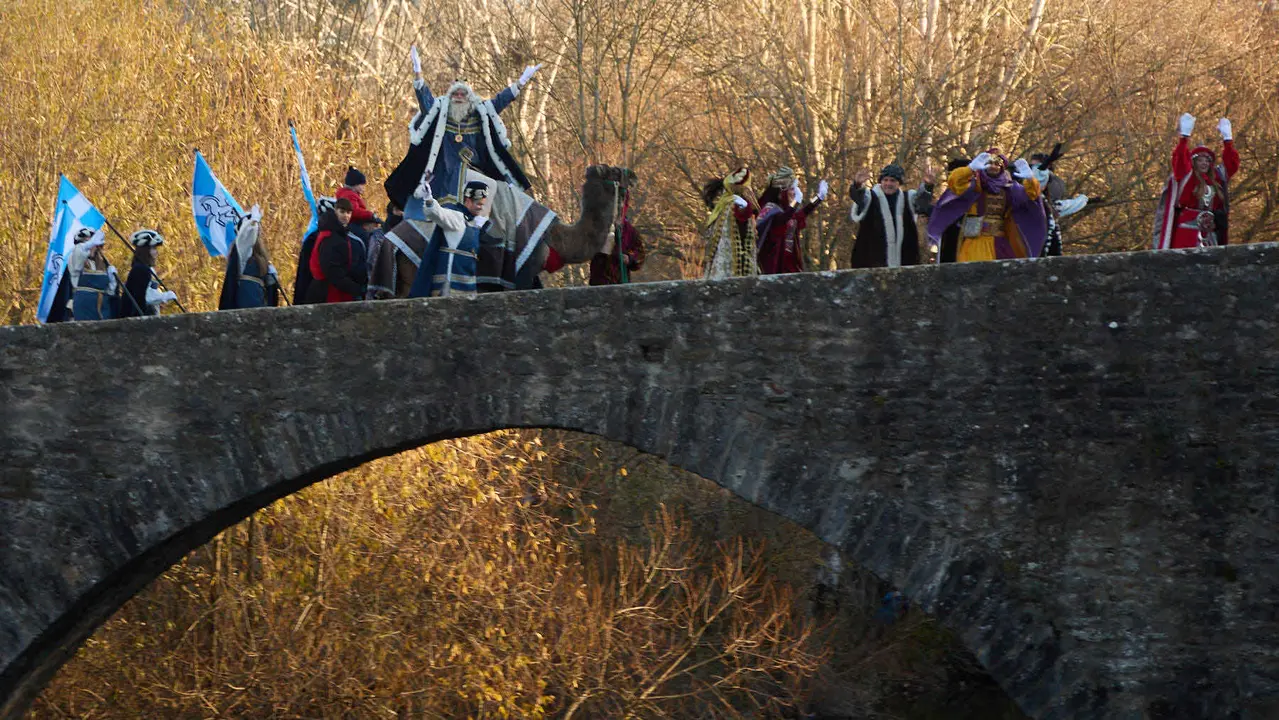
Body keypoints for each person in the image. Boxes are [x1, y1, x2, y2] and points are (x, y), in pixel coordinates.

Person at [383, 65, 542, 209]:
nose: (459, 97)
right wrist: (418, 76)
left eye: (463, 94)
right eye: (456, 94)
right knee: (473, 184)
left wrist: (521, 82)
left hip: (475, 168)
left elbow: (500, 101)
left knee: (495, 187)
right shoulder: (440, 110)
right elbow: (426, 102)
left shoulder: (480, 112)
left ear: (470, 97)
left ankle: (483, 223)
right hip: (445, 169)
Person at [926, 149, 1047, 262]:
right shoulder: (975, 187)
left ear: (1002, 168)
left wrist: (1031, 179)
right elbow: (955, 184)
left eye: (997, 164)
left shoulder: (1010, 188)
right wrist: (970, 169)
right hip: (975, 242)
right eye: (990, 164)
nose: (993, 167)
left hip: (1000, 243)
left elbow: (1031, 196)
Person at [1154, 114, 1238, 249]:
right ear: (1194, 162)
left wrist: (1228, 140)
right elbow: (1180, 160)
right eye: (1200, 160)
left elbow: (1231, 165)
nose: (1204, 163)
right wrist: (1184, 138)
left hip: (1209, 232)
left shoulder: (1216, 178)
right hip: (1187, 232)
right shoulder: (1187, 177)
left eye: (1207, 160)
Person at [408, 179, 489, 298]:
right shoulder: (455, 217)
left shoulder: (474, 222)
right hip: (449, 287)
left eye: (482, 204)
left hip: (468, 286)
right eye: (478, 204)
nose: (481, 208)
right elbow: (437, 213)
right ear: (468, 201)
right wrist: (428, 199)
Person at [848, 163, 934, 269]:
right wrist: (857, 185)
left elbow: (922, 202)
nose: (888, 184)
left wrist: (927, 186)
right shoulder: (870, 197)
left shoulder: (908, 199)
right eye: (885, 180)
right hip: (872, 263)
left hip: (904, 262)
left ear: (899, 183)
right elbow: (858, 197)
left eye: (893, 181)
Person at [755, 167, 829, 274]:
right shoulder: (770, 209)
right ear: (782, 191)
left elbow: (801, 214)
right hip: (774, 266)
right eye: (792, 189)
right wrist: (795, 203)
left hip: (790, 264)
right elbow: (782, 220)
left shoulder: (787, 211)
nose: (794, 192)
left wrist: (818, 198)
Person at [1028, 145, 1090, 257]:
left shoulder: (1050, 206)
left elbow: (1066, 205)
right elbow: (1034, 184)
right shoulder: (1024, 197)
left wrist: (1086, 200)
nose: (1034, 172)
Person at [703, 167, 760, 279]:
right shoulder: (728, 205)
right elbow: (742, 227)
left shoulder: (722, 206)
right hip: (731, 263)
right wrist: (745, 208)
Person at [305, 197, 365, 304]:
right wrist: (355, 288)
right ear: (335, 211)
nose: (346, 216)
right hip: (328, 293)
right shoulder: (330, 236)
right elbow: (332, 271)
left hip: (332, 290)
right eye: (342, 212)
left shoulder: (337, 233)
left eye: (348, 213)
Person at [218, 207, 280, 310]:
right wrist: (254, 220)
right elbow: (247, 235)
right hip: (243, 305)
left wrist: (272, 280)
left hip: (260, 305)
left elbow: (271, 291)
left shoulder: (263, 260)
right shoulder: (242, 253)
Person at [589, 184, 645, 286]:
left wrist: (629, 258)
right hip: (600, 284)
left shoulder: (629, 231)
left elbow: (640, 254)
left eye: (621, 201)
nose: (618, 206)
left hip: (622, 284)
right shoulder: (597, 226)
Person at [119, 230, 178, 318]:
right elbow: (142, 297)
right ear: (145, 250)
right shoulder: (141, 270)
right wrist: (162, 296)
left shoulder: (145, 269)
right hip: (136, 319)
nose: (156, 252)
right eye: (153, 248)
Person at [69, 228, 120, 321]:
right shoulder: (76, 261)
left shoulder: (101, 264)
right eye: (88, 244)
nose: (93, 247)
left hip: (101, 309)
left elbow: (109, 292)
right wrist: (89, 244)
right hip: (84, 308)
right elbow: (78, 252)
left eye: (95, 245)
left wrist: (113, 282)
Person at [366, 201, 403, 299]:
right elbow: (373, 264)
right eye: (398, 210)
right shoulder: (378, 236)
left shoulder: (407, 235)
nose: (401, 213)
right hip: (380, 292)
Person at [335, 166, 378, 232]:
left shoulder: (348, 193)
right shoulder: (349, 195)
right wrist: (370, 214)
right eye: (362, 185)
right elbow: (354, 211)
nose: (363, 187)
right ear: (354, 184)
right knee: (365, 237)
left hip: (354, 223)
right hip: (353, 224)